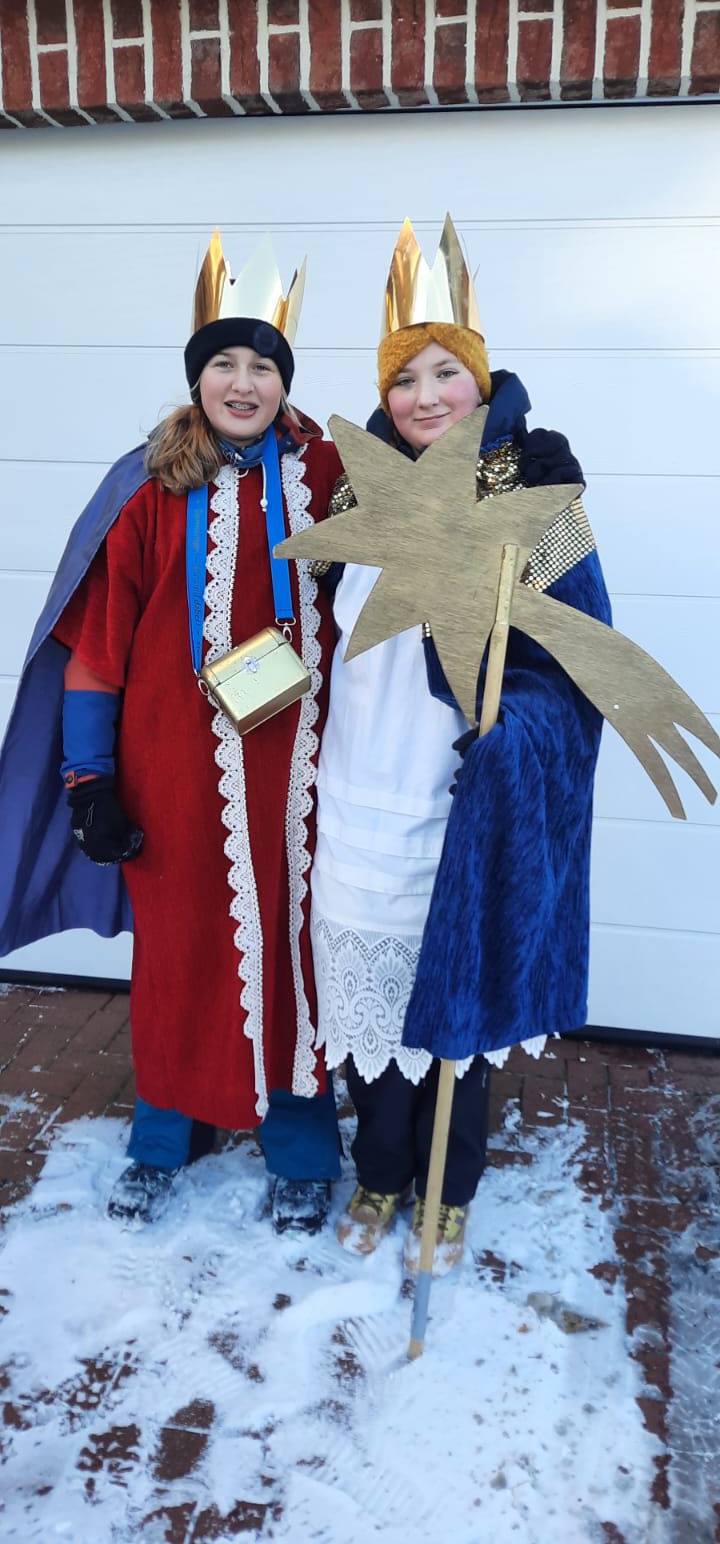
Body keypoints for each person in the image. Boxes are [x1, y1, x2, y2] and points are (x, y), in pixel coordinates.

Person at [0, 232, 343, 1231]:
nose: (243, 382)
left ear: (284, 380)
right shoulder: (149, 485)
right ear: (197, 378)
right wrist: (89, 779)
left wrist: (513, 463)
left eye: (263, 365)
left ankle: (300, 1141)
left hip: (301, 769)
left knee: (296, 947)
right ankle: (164, 1133)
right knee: (178, 951)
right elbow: (97, 652)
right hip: (172, 772)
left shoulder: (328, 474)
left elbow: (434, 519)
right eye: (223, 363)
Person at [309, 217, 611, 1274]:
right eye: (404, 380)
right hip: (357, 793)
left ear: (480, 380)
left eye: (446, 372)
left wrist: (511, 736)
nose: (425, 396)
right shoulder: (354, 491)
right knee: (370, 1012)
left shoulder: (532, 493)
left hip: (457, 797)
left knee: (457, 1003)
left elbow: (584, 659)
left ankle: (448, 1186)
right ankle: (381, 1170)